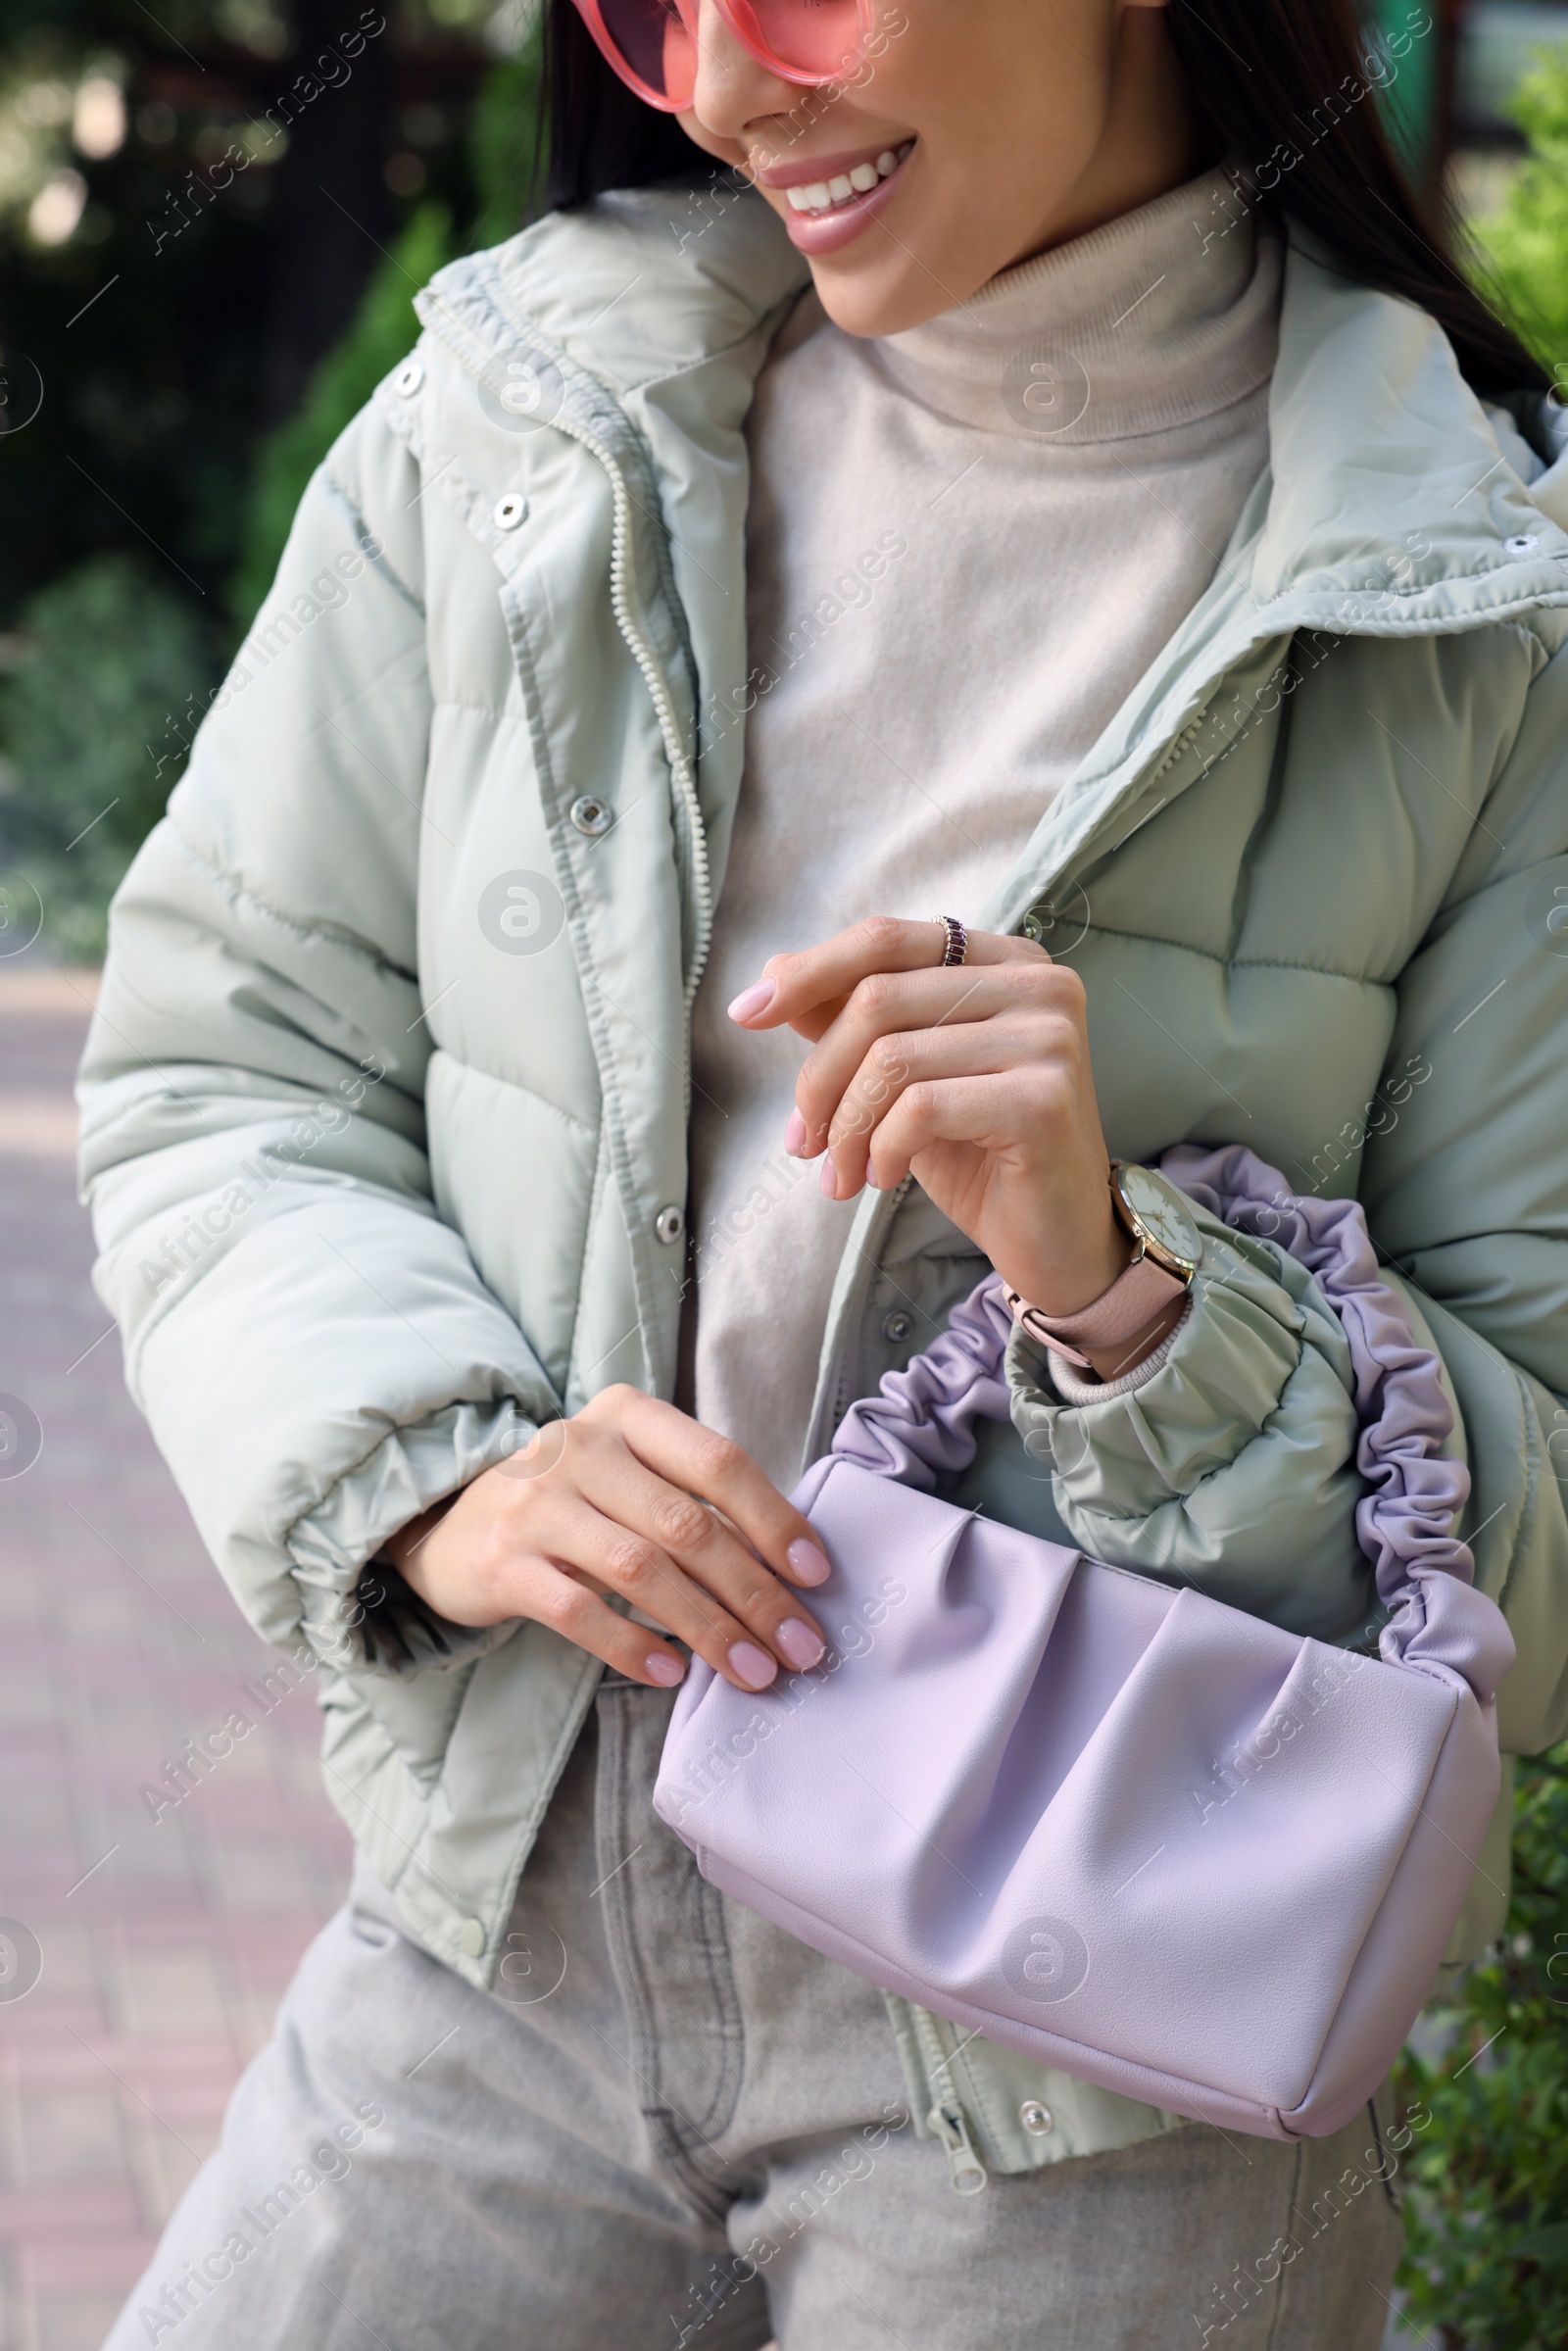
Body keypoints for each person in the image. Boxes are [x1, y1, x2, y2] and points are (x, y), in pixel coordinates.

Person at [83, 1, 1568, 2343]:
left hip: (1095, 2037)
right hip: (508, 1915)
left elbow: (1540, 1528)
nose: (717, 86)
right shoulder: (520, 426)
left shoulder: (1481, 603)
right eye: (641, 12)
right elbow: (219, 1065)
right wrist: (435, 1475)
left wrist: (1126, 1299)